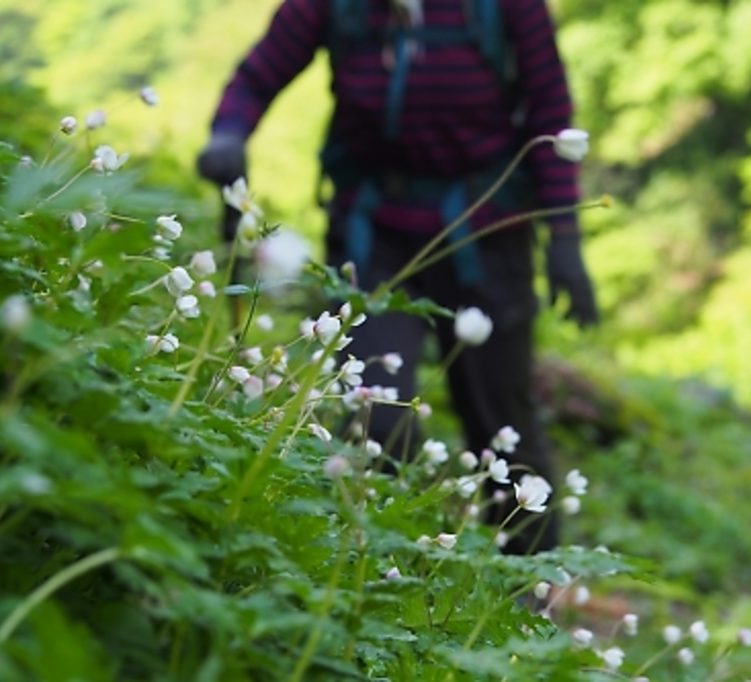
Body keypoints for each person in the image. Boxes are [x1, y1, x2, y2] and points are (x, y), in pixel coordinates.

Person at [197, 0, 598, 555]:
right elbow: (259, 73)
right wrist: (229, 134)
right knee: (372, 413)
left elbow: (551, 112)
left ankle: (527, 596)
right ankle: (390, 573)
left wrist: (566, 240)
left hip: (486, 234)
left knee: (503, 427)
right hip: (375, 232)